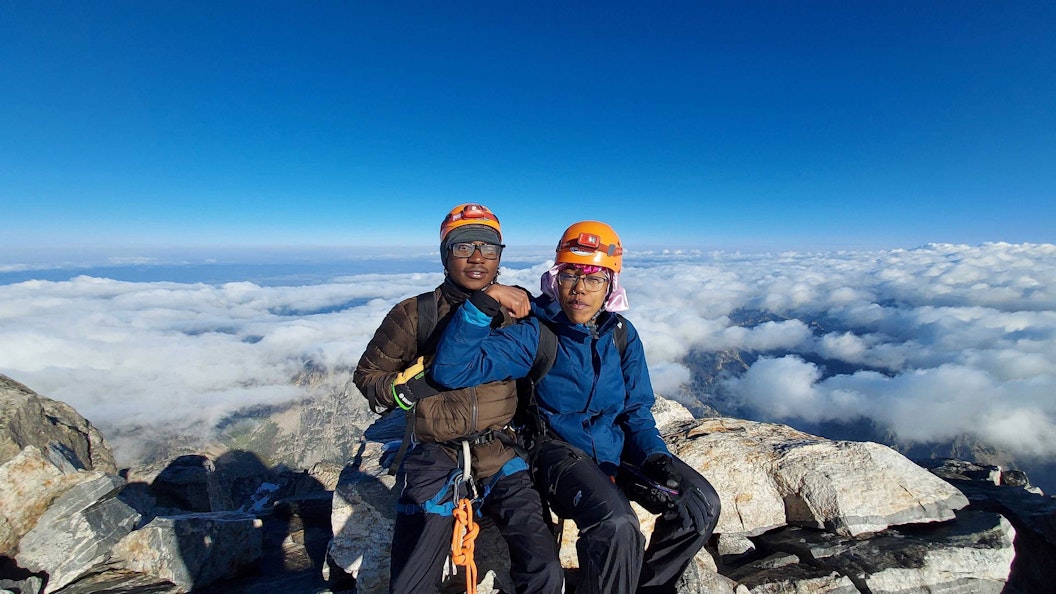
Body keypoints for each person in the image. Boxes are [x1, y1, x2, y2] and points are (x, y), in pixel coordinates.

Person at [430, 220, 721, 594]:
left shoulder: (621, 334)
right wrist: (483, 303)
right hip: (556, 451)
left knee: (699, 506)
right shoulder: (537, 333)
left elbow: (636, 410)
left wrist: (653, 455)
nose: (579, 289)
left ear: (610, 286)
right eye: (569, 275)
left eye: (594, 279)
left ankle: (646, 588)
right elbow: (452, 369)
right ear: (555, 279)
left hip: (616, 448)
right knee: (615, 523)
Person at [353, 203, 563, 594]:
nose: (478, 257)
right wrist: (401, 392)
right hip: (435, 451)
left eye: (489, 248)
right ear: (445, 255)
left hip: (500, 449)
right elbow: (367, 377)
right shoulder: (416, 314)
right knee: (411, 582)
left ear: (501, 256)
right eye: (464, 247)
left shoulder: (516, 310)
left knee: (545, 564)